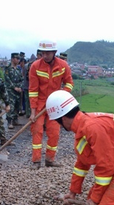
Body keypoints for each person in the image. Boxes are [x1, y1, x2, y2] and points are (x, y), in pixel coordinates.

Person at [28, 40, 74, 169]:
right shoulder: (35, 66)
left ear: (54, 52)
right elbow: (33, 90)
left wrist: (61, 94)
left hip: (56, 104)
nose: (45, 55)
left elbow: (69, 83)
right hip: (40, 104)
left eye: (48, 52)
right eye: (43, 52)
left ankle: (50, 159)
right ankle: (36, 161)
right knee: (36, 130)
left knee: (54, 132)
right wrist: (32, 112)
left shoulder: (63, 65)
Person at [4, 52, 23, 129]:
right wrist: (14, 87)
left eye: (19, 59)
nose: (18, 60)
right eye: (17, 58)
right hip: (10, 90)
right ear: (12, 59)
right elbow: (7, 79)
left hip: (18, 90)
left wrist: (20, 87)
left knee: (17, 105)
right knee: (10, 105)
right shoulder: (7, 68)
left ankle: (15, 120)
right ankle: (9, 121)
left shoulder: (18, 68)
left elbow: (22, 79)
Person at [23, 49, 43, 119]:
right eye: (41, 55)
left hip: (37, 88)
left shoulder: (42, 64)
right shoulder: (33, 65)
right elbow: (28, 77)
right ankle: (30, 115)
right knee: (29, 101)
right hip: (29, 86)